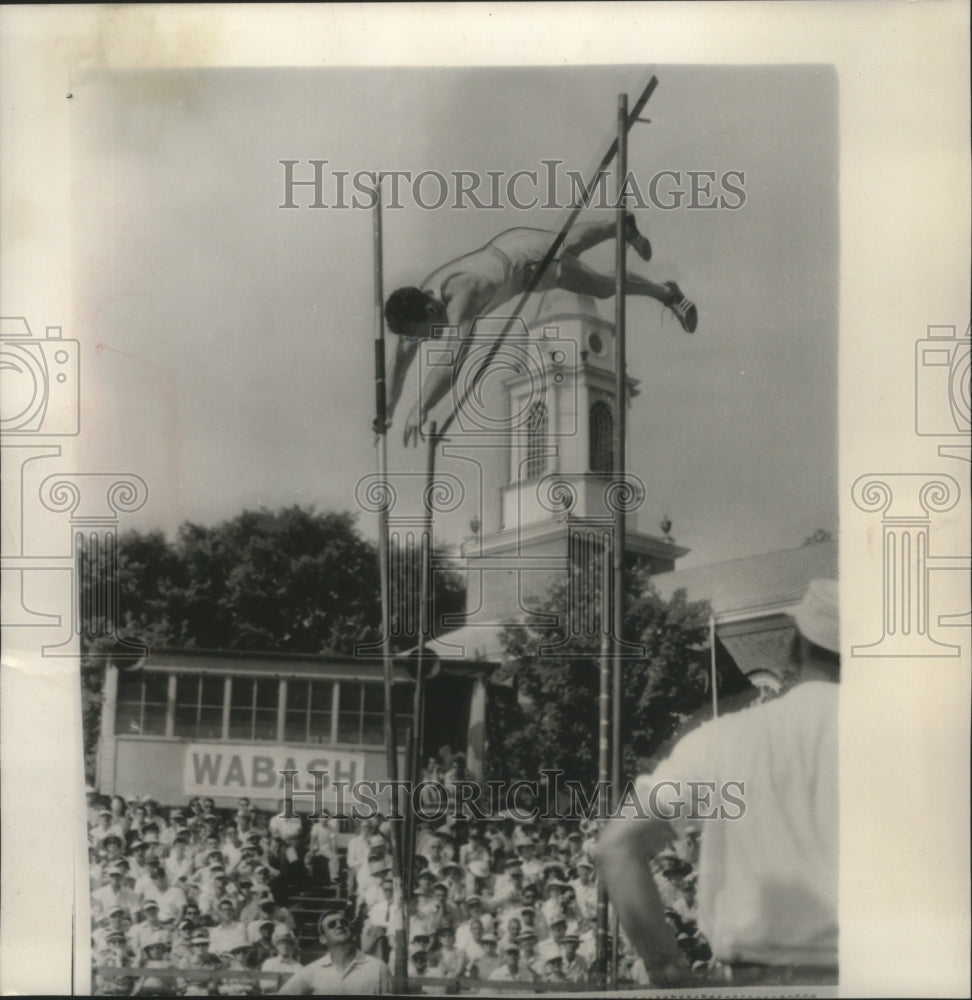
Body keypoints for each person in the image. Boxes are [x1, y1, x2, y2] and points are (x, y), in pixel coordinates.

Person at [598, 578, 840, 987]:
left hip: (760, 982)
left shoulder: (724, 739)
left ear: (796, 647)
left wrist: (667, 968)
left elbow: (616, 845)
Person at [383, 215, 699, 444]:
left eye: (424, 333)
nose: (425, 339)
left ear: (429, 309)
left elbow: (452, 362)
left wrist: (420, 408)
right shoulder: (417, 306)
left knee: (597, 282)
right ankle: (619, 227)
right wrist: (388, 410)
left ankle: (665, 291)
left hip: (526, 266)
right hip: (507, 247)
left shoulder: (461, 299)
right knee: (567, 243)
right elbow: (399, 362)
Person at [276, 908, 393, 995]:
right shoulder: (312, 971)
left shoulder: (378, 968)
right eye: (332, 925)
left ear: (351, 932)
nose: (339, 925)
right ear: (323, 939)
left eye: (344, 923)